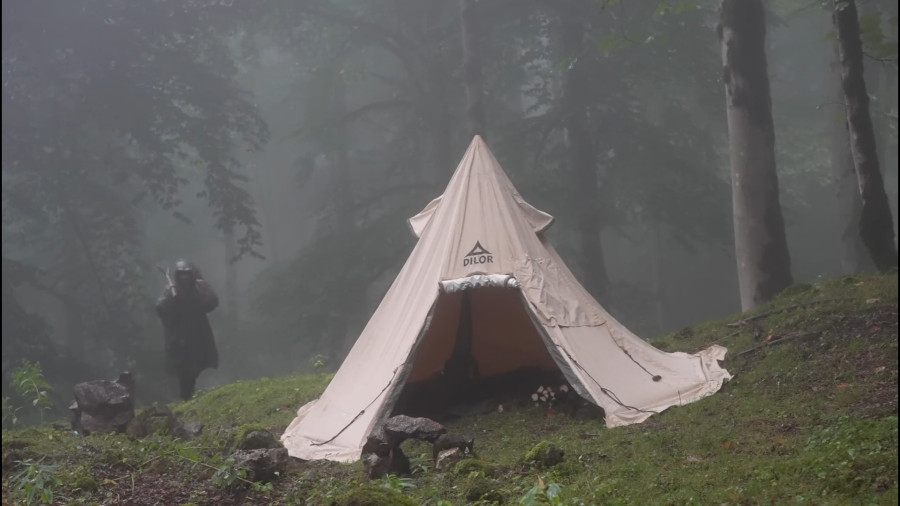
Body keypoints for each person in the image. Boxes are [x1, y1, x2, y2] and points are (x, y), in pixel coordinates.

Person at [155, 259, 219, 400]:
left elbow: (211, 303)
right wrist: (170, 298)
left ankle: (189, 395)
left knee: (195, 366)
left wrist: (205, 289)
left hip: (197, 335)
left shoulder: (198, 290)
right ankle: (186, 397)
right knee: (183, 370)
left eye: (187, 274)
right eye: (181, 274)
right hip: (179, 338)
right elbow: (160, 309)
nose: (184, 278)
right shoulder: (172, 292)